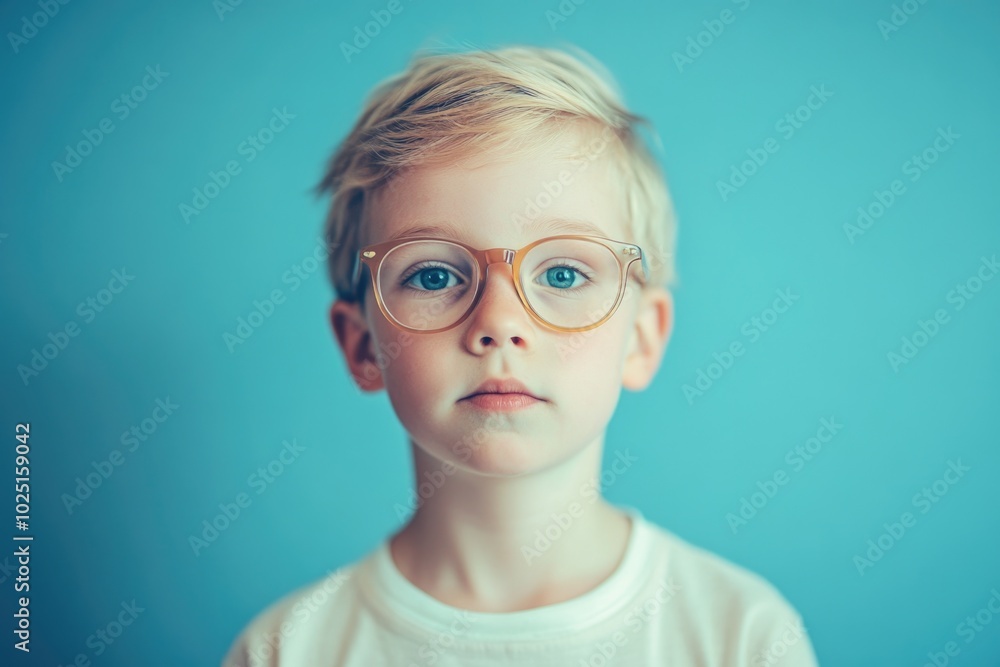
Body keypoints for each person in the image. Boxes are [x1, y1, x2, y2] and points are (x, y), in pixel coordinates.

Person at [222, 44, 820, 666]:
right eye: (432, 276)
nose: (500, 324)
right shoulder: (287, 650)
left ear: (643, 337)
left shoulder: (741, 636)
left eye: (562, 274)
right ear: (363, 345)